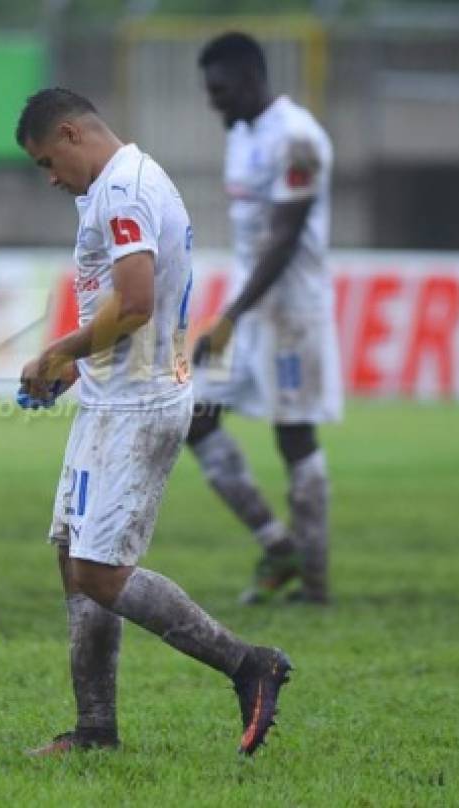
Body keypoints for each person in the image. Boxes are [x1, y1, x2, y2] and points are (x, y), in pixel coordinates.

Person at [15, 87, 291, 757]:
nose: (50, 177)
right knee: (73, 557)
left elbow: (136, 302)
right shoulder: (121, 180)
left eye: (48, 160)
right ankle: (95, 730)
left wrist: (58, 350)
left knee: (102, 573)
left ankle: (247, 664)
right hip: (112, 397)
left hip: (138, 408)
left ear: (75, 135)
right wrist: (81, 368)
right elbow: (138, 305)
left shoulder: (123, 191)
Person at [188, 33, 341, 605]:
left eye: (220, 90)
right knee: (193, 415)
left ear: (253, 78)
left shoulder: (298, 139)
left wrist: (228, 316)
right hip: (251, 309)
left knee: (294, 434)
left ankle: (316, 580)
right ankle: (278, 545)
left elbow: (284, 239)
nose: (213, 102)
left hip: (292, 314)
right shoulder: (242, 133)